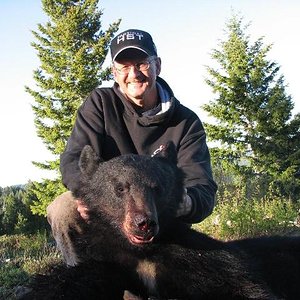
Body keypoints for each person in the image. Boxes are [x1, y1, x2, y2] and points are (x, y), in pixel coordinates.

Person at [47, 29, 218, 266]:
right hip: (114, 216)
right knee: (63, 209)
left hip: (163, 225)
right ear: (114, 73)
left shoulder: (185, 123)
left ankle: (157, 280)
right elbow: (75, 158)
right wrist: (87, 193)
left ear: (157, 65)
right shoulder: (100, 104)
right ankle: (86, 278)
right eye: (124, 67)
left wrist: (185, 202)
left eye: (141, 63)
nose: (134, 74)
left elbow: (203, 188)